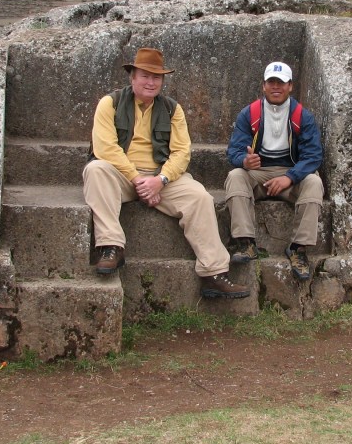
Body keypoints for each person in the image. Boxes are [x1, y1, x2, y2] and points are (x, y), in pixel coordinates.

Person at [83, 47, 249, 299]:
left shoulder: (173, 109)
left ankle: (213, 272)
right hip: (122, 175)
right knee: (95, 170)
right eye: (145, 76)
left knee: (199, 197)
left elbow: (182, 152)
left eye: (156, 77)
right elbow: (105, 147)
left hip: (160, 176)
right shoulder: (110, 103)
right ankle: (111, 246)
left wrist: (160, 180)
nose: (151, 82)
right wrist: (139, 181)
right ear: (132, 77)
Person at [224, 61, 324, 281]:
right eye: (271, 82)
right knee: (235, 176)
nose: (276, 87)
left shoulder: (302, 116)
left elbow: (313, 156)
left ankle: (298, 249)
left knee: (314, 183)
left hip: (290, 171)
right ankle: (246, 243)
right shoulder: (249, 113)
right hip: (259, 172)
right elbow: (233, 151)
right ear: (263, 86)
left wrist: (290, 177)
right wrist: (244, 160)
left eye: (281, 82)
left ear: (290, 86)